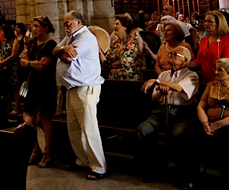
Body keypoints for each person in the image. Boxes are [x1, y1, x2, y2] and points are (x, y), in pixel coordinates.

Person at [54, 10, 107, 180]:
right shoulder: (71, 37)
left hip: (85, 88)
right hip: (72, 88)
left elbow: (69, 58)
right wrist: (63, 49)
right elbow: (54, 50)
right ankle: (84, 160)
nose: (65, 26)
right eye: (64, 23)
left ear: (79, 22)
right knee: (74, 128)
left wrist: (62, 53)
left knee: (89, 128)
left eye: (68, 23)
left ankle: (99, 166)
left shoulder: (86, 37)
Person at [135, 46, 198, 184]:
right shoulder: (164, 75)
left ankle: (180, 172)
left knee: (179, 134)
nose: (171, 56)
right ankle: (154, 165)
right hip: (160, 112)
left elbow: (179, 88)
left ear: (185, 60)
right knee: (143, 130)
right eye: (171, 53)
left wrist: (156, 81)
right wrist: (161, 93)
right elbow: (154, 99)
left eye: (175, 54)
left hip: (182, 113)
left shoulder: (191, 76)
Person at [20, 15, 58, 169]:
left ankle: (49, 152)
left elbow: (42, 65)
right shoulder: (33, 43)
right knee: (27, 117)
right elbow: (21, 60)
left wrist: (28, 62)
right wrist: (30, 63)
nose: (33, 29)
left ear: (45, 28)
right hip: (31, 85)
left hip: (45, 85)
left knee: (44, 118)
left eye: (36, 26)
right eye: (32, 26)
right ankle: (35, 149)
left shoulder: (50, 44)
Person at [192, 10, 229, 83]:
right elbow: (199, 60)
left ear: (219, 23)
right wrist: (185, 63)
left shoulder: (227, 40)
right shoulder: (204, 40)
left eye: (209, 21)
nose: (206, 24)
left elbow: (228, 63)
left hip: (222, 81)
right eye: (205, 21)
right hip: (205, 80)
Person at [101, 14, 143, 81]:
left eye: (117, 24)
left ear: (125, 27)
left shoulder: (132, 42)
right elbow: (107, 61)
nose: (114, 26)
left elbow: (124, 62)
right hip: (114, 79)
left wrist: (110, 66)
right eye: (114, 24)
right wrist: (99, 51)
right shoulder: (115, 43)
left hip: (128, 79)